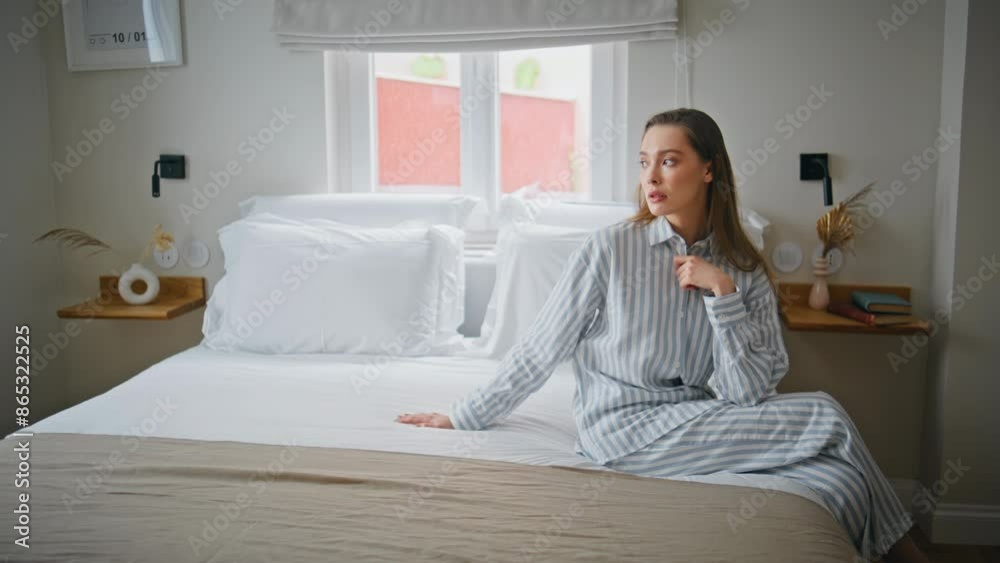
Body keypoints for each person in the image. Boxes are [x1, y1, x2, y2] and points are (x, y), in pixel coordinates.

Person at [397, 108, 929, 563]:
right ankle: (913, 554)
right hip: (621, 428)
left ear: (707, 171)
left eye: (669, 161)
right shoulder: (609, 250)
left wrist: (722, 296)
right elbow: (541, 348)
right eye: (645, 161)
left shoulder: (742, 269)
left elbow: (746, 395)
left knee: (839, 479)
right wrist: (464, 415)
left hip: (699, 417)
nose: (651, 176)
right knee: (825, 415)